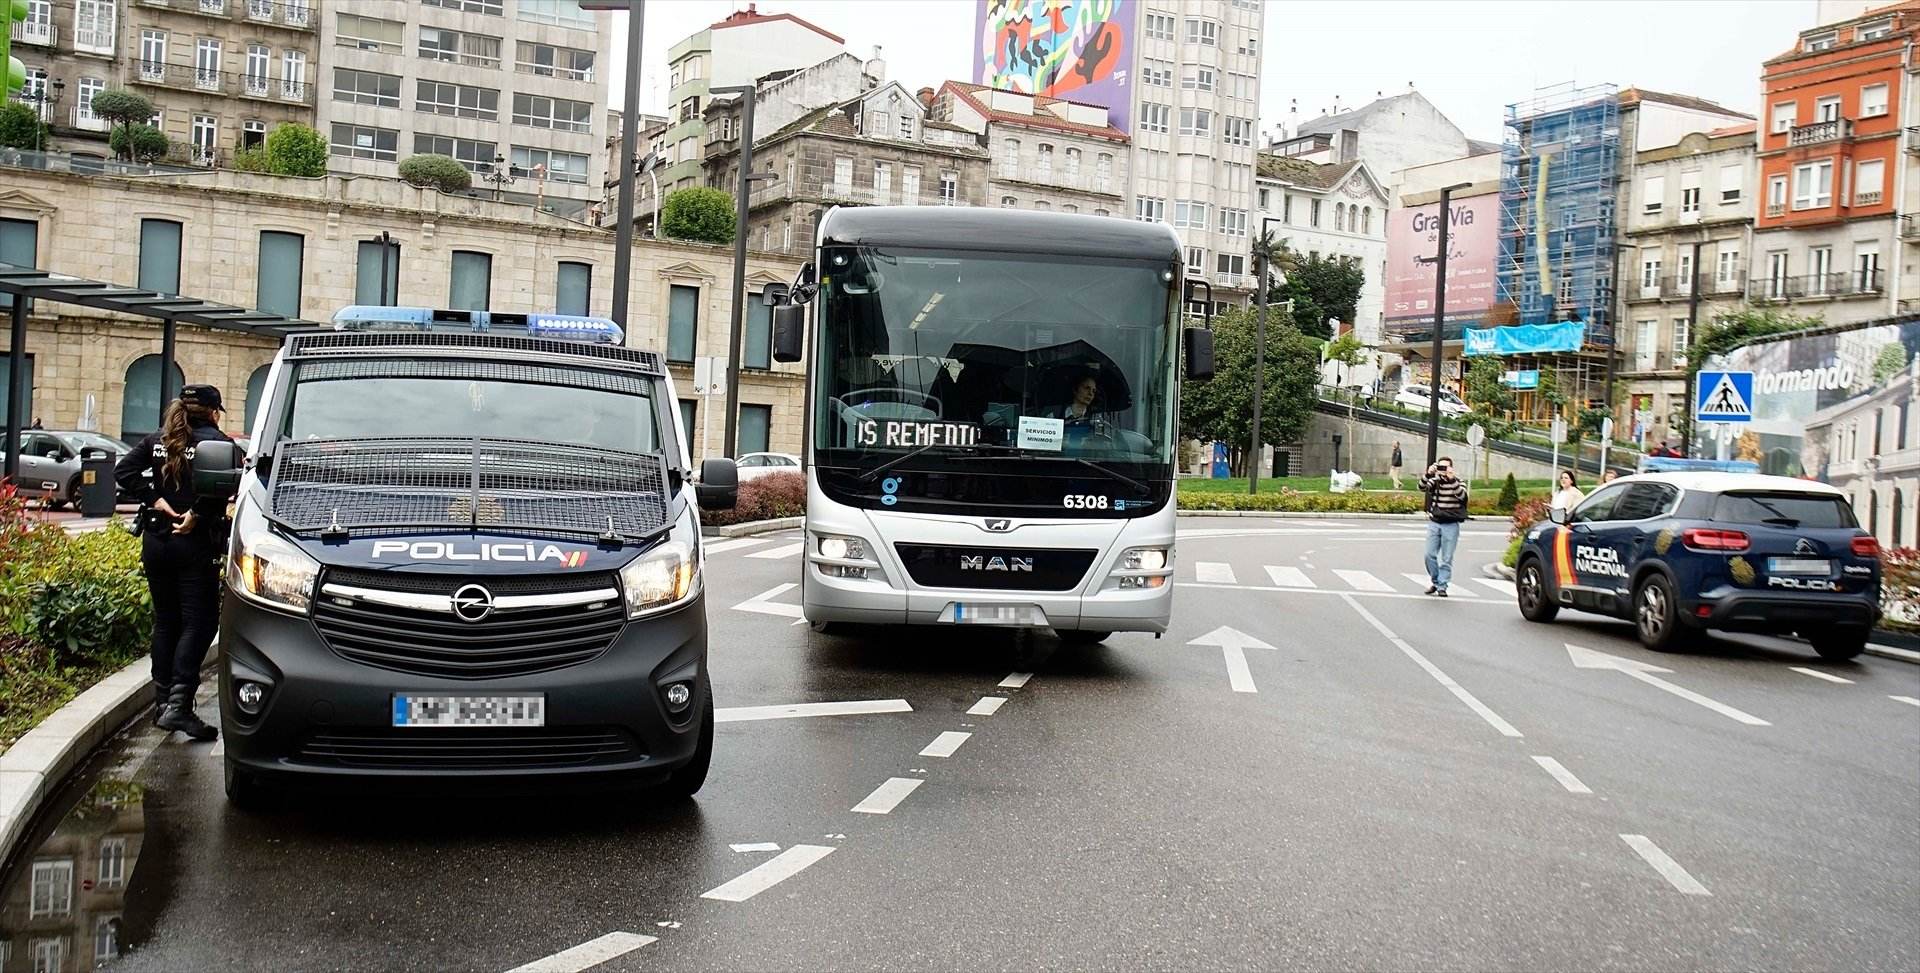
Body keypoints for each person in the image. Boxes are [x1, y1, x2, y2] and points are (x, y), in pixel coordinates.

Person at [114, 384, 234, 742]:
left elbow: (124, 472)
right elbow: (225, 486)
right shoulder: (219, 443)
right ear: (213, 411)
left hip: (156, 540)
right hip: (193, 544)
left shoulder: (157, 439)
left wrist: (155, 501)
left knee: (166, 621)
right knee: (200, 622)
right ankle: (179, 706)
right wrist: (196, 514)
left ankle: (163, 704)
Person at [1419, 456, 1469, 597]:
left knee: (1446, 558)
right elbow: (1421, 487)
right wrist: (1429, 474)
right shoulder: (1435, 482)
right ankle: (1436, 581)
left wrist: (1451, 479)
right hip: (1435, 522)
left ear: (1451, 468)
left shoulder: (1459, 482)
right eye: (1440, 467)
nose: (1443, 471)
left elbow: (1462, 496)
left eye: (1445, 467)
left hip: (1451, 524)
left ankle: (1442, 586)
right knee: (1429, 555)